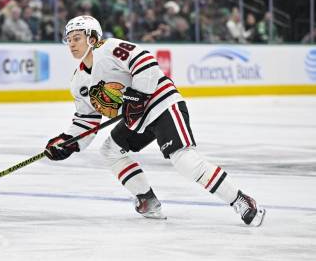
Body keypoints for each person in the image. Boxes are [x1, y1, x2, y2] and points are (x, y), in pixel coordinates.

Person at [44, 15, 266, 226]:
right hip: (137, 119)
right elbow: (86, 120)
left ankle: (241, 200)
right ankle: (147, 200)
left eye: (77, 38)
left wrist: (138, 96)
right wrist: (68, 142)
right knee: (110, 150)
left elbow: (146, 62)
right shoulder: (78, 82)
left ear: (92, 38)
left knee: (184, 161)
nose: (71, 44)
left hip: (161, 103)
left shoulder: (108, 48)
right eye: (69, 39)